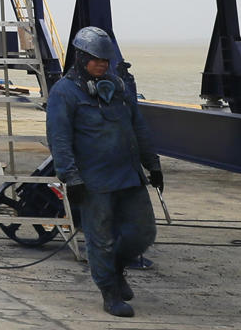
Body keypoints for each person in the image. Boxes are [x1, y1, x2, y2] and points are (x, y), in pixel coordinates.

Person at [47, 25, 164, 318]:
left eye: (105, 60)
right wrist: (70, 177)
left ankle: (117, 267)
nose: (101, 64)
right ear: (80, 58)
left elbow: (138, 127)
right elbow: (59, 139)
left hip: (128, 174)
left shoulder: (120, 88)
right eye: (95, 59)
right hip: (93, 181)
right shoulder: (64, 93)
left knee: (143, 233)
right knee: (100, 239)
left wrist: (153, 163)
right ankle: (109, 293)